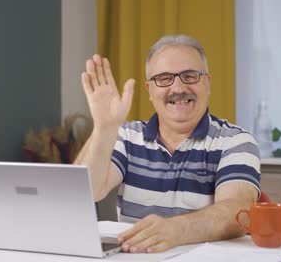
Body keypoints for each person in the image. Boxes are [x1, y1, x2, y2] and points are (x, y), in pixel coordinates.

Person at [74, 34, 260, 253]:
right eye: (164, 78)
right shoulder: (126, 135)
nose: (178, 88)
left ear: (207, 84)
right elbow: (83, 193)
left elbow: (238, 213)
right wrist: (104, 127)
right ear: (150, 90)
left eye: (190, 76)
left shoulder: (236, 141)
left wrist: (175, 230)